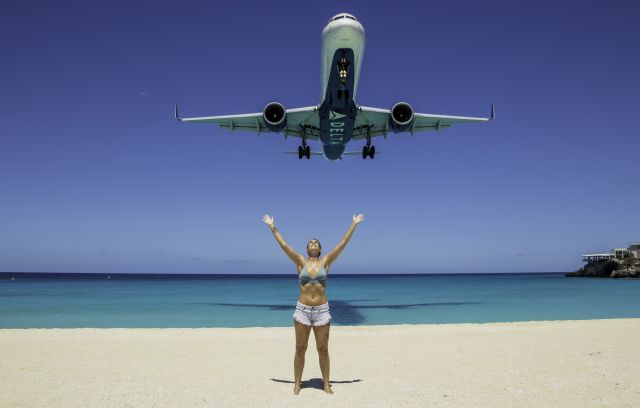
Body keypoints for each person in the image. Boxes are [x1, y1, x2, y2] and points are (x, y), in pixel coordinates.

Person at [262, 213, 365, 395]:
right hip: (302, 310)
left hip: (322, 310)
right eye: (311, 243)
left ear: (320, 249)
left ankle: (326, 383)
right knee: (300, 348)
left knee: (323, 348)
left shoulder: (326, 262)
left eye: (316, 243)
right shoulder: (300, 262)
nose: (313, 244)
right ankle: (297, 383)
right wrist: (272, 226)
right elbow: (284, 246)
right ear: (307, 248)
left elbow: (342, 244)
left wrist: (353, 224)